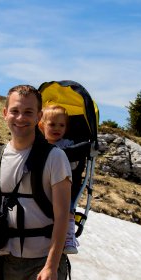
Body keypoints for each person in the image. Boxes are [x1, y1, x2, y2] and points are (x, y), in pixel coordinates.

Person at [0, 85, 72, 280]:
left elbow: (63, 216)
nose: (20, 118)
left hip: (44, 260)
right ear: (5, 113)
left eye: (28, 112)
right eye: (15, 111)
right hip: (8, 260)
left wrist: (51, 267)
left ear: (39, 116)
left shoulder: (55, 158)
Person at [38, 105, 79, 255]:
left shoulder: (68, 145)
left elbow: (74, 164)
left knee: (68, 209)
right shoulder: (37, 143)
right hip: (41, 183)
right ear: (42, 125)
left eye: (62, 125)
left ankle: (68, 237)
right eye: (52, 124)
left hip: (63, 182)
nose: (57, 128)